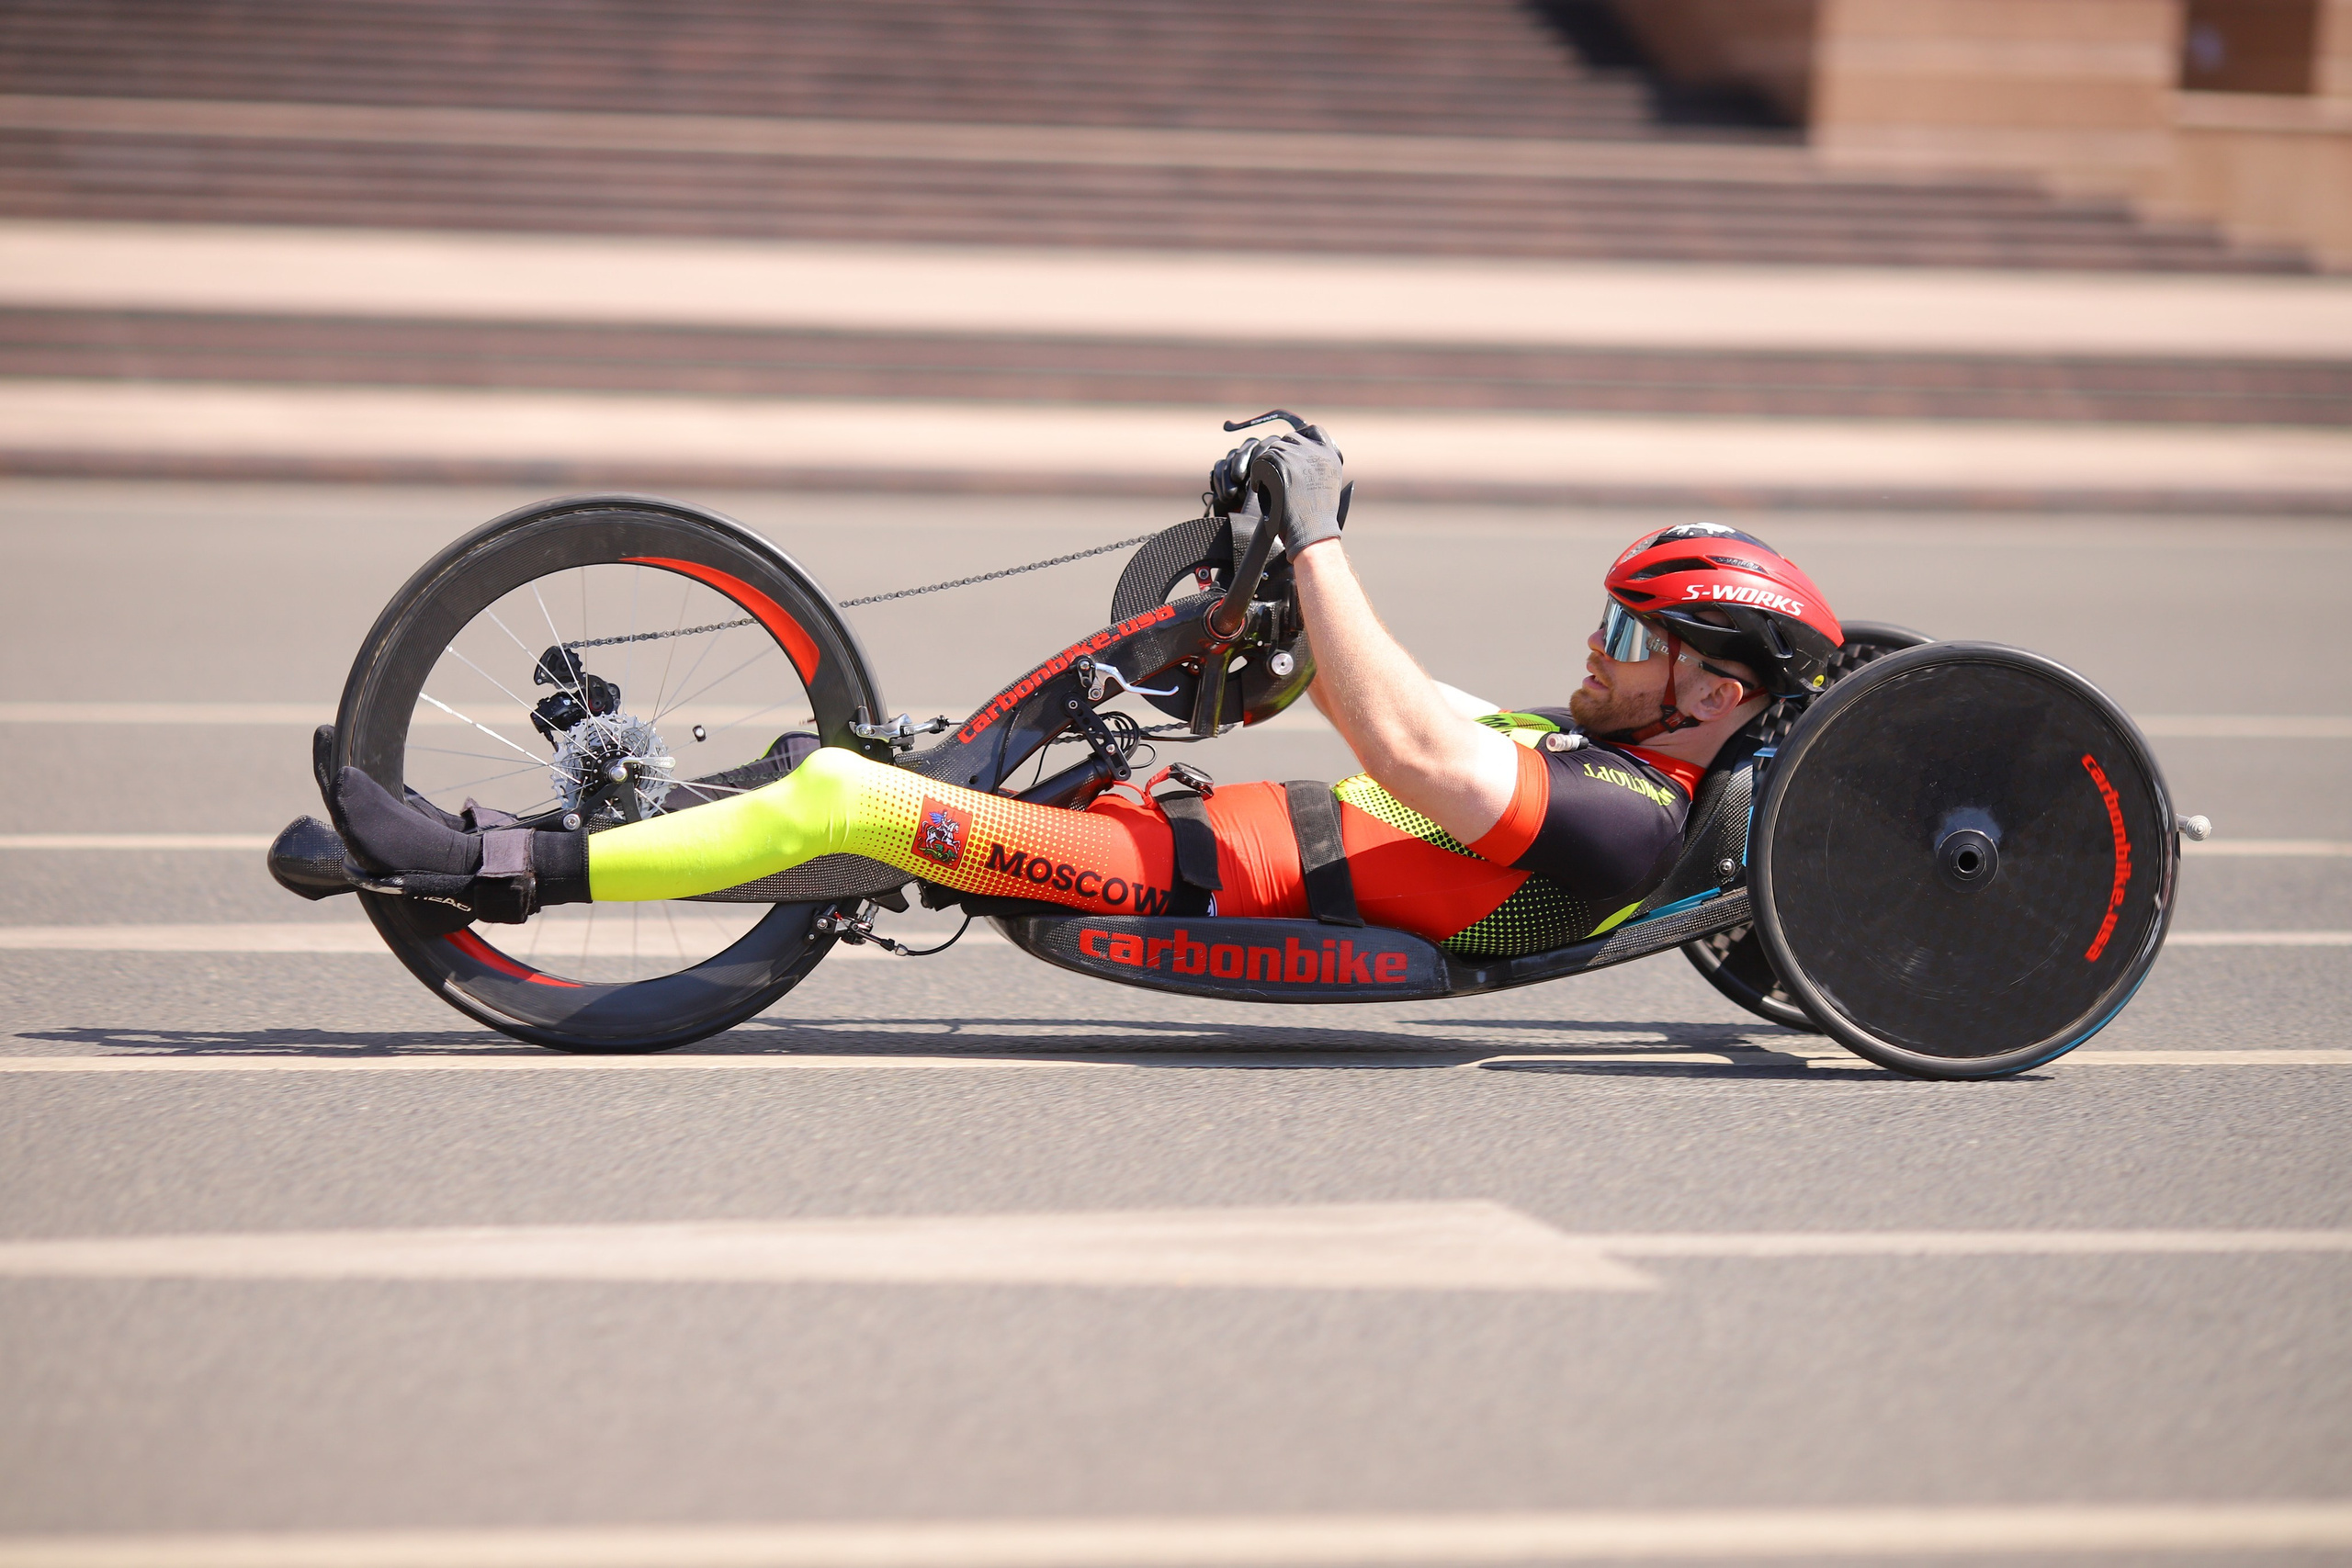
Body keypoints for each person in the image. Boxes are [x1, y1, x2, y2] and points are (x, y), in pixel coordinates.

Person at [330, 427, 1843, 957]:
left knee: (855, 804)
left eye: (1628, 636)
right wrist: (1254, 581)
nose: (1596, 648)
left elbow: (1404, 744)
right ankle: (633, 801)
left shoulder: (1627, 822)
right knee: (979, 716)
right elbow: (1359, 682)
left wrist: (1321, 528)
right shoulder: (1598, 748)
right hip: (1168, 817)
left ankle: (494, 866)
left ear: (1714, 697)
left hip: (1160, 874)